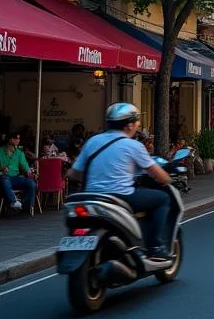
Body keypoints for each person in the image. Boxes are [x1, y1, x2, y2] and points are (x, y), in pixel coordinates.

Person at [67, 103, 173, 258]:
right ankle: (155, 246)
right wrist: (168, 179)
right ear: (129, 125)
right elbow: (160, 176)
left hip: (90, 197)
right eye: (136, 121)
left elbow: (73, 174)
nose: (138, 124)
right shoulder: (133, 146)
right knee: (163, 198)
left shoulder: (93, 141)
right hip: (120, 196)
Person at [0, 132, 37, 213]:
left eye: (19, 138)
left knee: (31, 183)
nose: (17, 140)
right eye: (15, 138)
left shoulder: (20, 153)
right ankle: (13, 201)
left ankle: (24, 206)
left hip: (15, 178)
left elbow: (25, 166)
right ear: (10, 139)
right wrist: (1, 168)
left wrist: (30, 173)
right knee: (5, 178)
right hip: (2, 178)